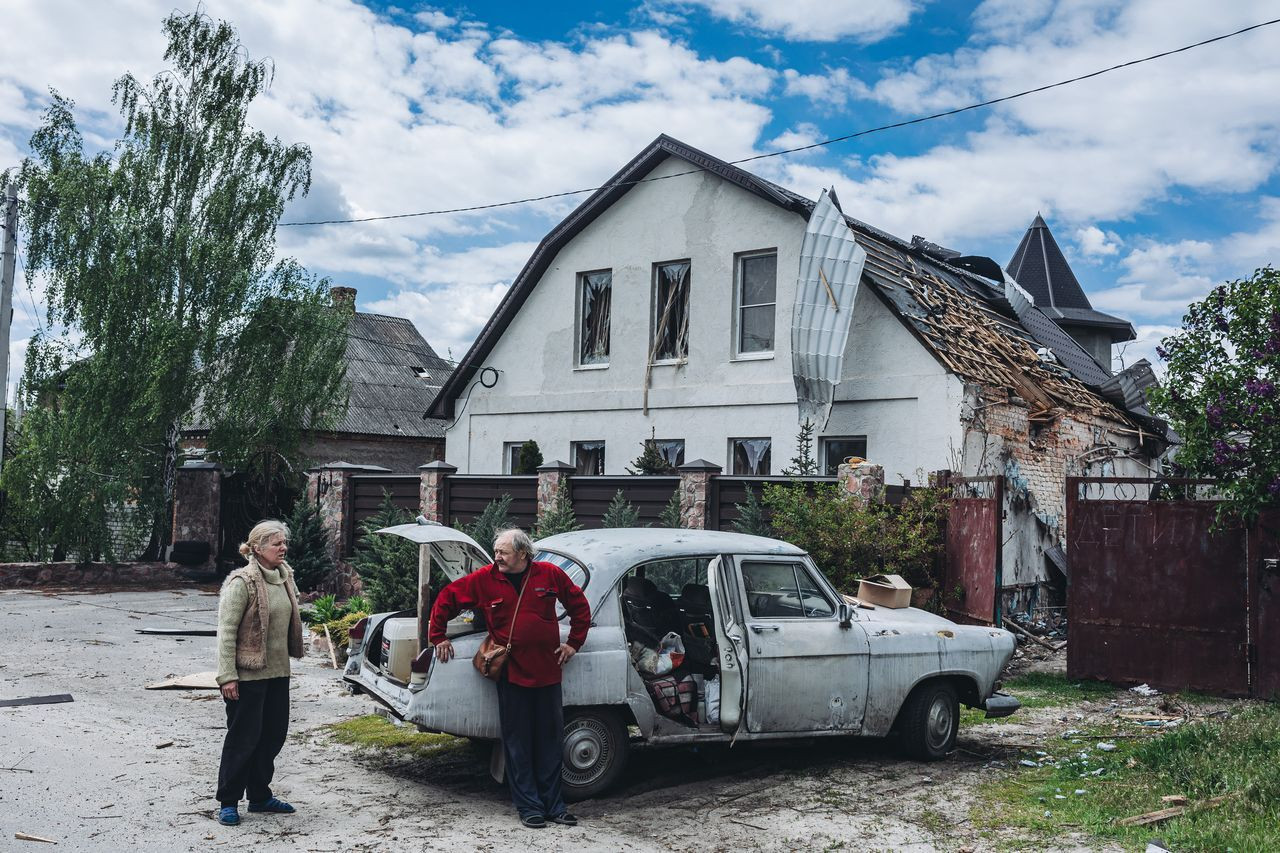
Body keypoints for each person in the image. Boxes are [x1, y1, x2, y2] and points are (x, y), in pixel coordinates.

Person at [429, 528, 591, 829]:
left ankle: (555, 806)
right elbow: (447, 597)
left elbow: (579, 606)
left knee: (550, 743)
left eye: (503, 551)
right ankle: (529, 807)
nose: (497, 557)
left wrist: (574, 643)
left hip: (548, 673)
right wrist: (437, 635)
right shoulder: (486, 579)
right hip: (512, 675)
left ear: (522, 554)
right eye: (496, 550)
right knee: (518, 744)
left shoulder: (550, 574)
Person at [213, 519, 305, 827]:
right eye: (276, 543)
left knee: (272, 735)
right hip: (247, 674)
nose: (283, 547)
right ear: (257, 548)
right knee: (244, 738)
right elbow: (226, 632)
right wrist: (227, 675)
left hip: (278, 671)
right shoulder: (242, 582)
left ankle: (260, 796)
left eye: (283, 542)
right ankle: (228, 801)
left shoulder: (284, 577)